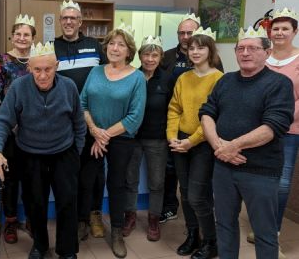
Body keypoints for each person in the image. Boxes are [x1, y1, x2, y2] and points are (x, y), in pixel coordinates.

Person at [200, 26, 295, 259]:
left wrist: (233, 146)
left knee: (264, 232)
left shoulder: (279, 84)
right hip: (223, 168)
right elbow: (207, 113)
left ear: (267, 52)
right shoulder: (225, 81)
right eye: (240, 48)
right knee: (225, 226)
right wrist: (219, 147)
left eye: (252, 48)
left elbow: (274, 126)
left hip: (261, 171)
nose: (245, 53)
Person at [0, 42, 86, 259]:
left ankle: (67, 250)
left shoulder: (69, 86)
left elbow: (80, 123)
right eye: (37, 69)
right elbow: (2, 122)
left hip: (64, 153)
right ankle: (40, 246)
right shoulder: (19, 88)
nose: (42, 75)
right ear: (29, 68)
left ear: (57, 66)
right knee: (35, 203)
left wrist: (75, 154)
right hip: (30, 154)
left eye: (48, 69)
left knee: (67, 203)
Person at [80, 27, 146, 258]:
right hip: (92, 134)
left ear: (129, 51)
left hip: (121, 140)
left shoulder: (137, 77)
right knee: (86, 181)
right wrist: (94, 131)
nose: (115, 48)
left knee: (117, 185)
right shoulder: (96, 72)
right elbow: (83, 103)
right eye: (111, 43)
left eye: (121, 45)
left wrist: (104, 135)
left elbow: (135, 117)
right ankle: (82, 222)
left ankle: (116, 231)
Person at [159, 13, 224, 224]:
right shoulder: (184, 77)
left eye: (200, 48)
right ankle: (192, 235)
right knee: (185, 194)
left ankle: (209, 240)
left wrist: (191, 141)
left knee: (198, 196)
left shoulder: (220, 79)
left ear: (210, 50)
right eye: (192, 48)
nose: (195, 52)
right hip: (179, 141)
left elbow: (213, 116)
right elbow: (174, 109)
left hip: (202, 143)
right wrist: (172, 137)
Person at [54, 0, 107, 240]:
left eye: (72, 18)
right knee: (69, 173)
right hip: (63, 123)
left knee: (93, 172)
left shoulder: (94, 45)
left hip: (93, 122)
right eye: (64, 18)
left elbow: (109, 77)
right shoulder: (51, 46)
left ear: (80, 22)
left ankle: (90, 217)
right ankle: (74, 219)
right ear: (60, 21)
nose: (68, 22)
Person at [0, 14, 35, 244]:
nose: (21, 38)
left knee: (32, 177)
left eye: (26, 34)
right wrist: (10, 116)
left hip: (34, 131)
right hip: (10, 130)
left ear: (33, 38)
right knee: (9, 177)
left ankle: (31, 219)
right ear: (12, 36)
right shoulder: (3, 60)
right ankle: (10, 221)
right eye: (18, 34)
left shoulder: (39, 60)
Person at [123, 35, 173, 242]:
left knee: (157, 182)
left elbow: (173, 110)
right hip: (132, 137)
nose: (150, 59)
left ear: (160, 57)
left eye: (154, 55)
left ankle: (154, 218)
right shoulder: (132, 76)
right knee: (130, 180)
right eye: (146, 54)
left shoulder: (168, 79)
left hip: (157, 139)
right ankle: (130, 216)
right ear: (140, 56)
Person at [265, 8, 299, 246]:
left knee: (282, 181)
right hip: (257, 129)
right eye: (275, 28)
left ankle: (272, 229)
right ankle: (259, 222)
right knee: (258, 178)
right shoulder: (260, 56)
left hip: (288, 130)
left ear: (294, 32)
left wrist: (280, 118)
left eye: (285, 28)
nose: (279, 33)